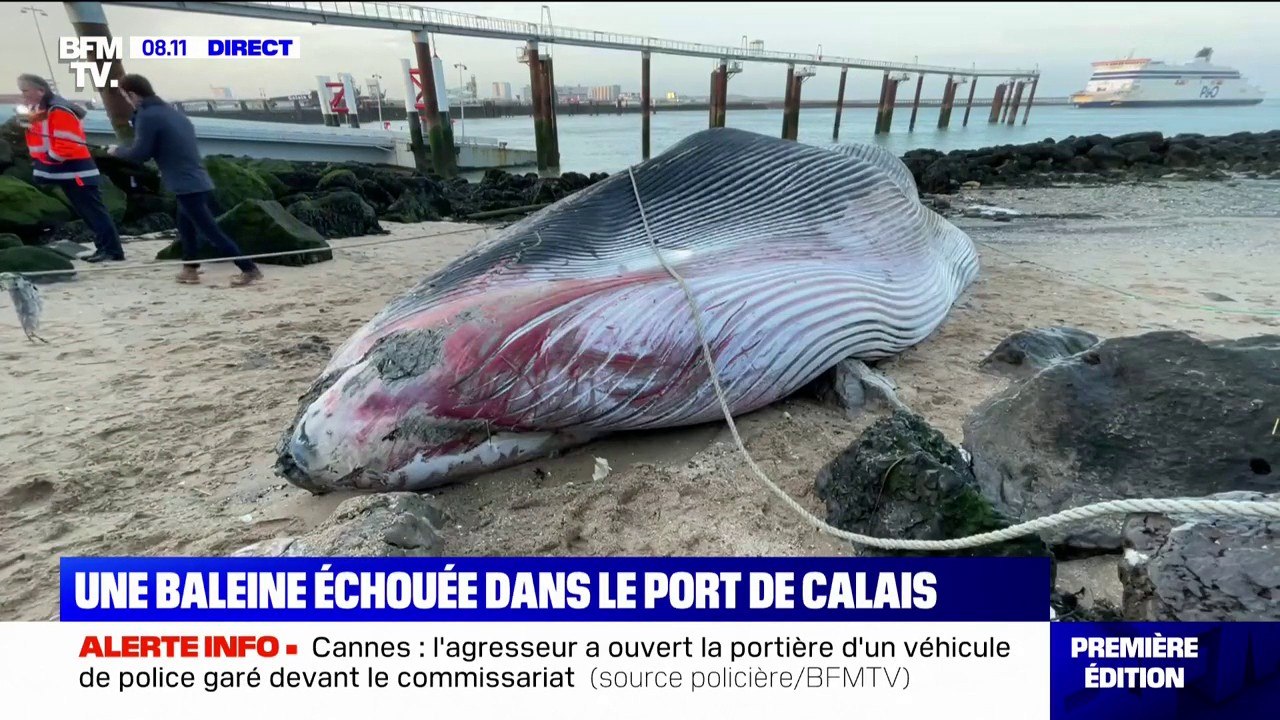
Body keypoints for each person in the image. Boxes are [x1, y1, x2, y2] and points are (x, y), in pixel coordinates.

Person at [109, 74, 262, 286]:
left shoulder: (148, 116)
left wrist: (117, 151)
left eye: (125, 96)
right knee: (185, 225)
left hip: (185, 184)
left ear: (133, 94)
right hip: (197, 179)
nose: (127, 100)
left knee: (211, 231)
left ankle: (249, 268)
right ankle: (190, 269)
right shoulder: (172, 113)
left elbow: (140, 153)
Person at [17, 73, 125, 263]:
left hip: (77, 171)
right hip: (69, 172)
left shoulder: (59, 111)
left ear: (40, 91)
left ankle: (112, 250)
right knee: (88, 212)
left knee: (94, 212)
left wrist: (48, 160)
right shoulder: (44, 111)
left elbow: (66, 144)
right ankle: (104, 248)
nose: (23, 95)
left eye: (25, 91)